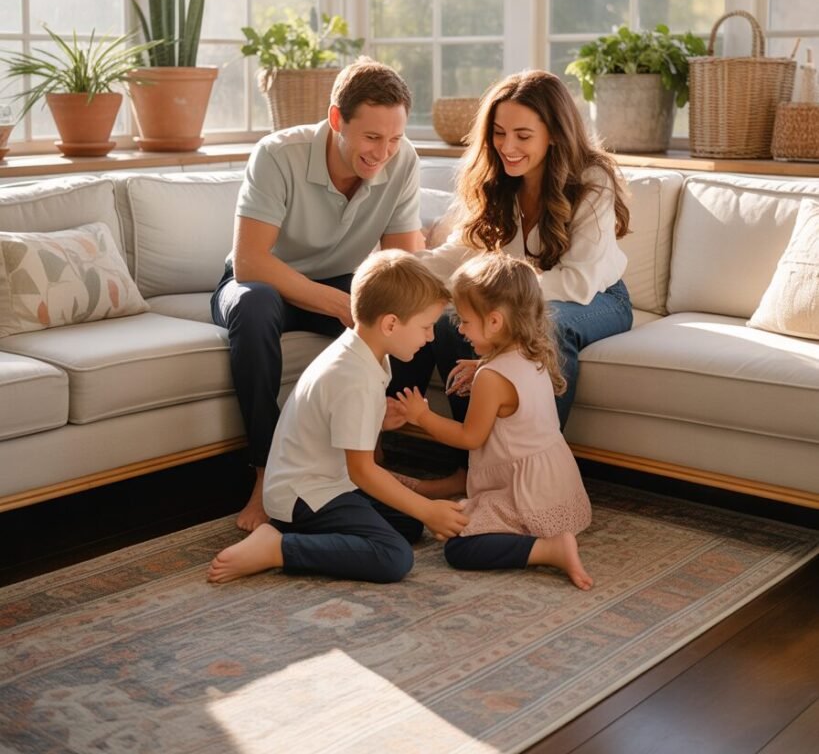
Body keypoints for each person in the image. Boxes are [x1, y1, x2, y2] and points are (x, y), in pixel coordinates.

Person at [212, 58, 425, 532]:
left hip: (343, 280)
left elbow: (403, 266)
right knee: (254, 304)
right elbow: (250, 262)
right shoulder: (277, 154)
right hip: (260, 284)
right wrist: (343, 306)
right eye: (372, 138)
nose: (384, 152)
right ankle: (265, 475)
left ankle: (369, 461)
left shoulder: (403, 158)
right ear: (336, 120)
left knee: (406, 310)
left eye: (393, 138)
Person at [207, 251, 469, 585]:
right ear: (390, 324)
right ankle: (280, 546)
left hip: (329, 481)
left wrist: (378, 419)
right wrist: (428, 509)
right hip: (305, 492)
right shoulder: (353, 376)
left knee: (408, 525)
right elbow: (363, 471)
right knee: (393, 556)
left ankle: (294, 533)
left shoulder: (364, 351)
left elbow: (338, 423)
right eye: (426, 327)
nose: (431, 337)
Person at [391, 69, 632, 429]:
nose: (507, 146)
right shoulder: (497, 180)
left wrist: (494, 297)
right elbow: (461, 252)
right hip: (516, 295)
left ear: (553, 135)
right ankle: (472, 464)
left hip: (597, 297)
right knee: (448, 321)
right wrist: (399, 273)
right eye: (499, 133)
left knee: (548, 326)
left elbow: (578, 282)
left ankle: (540, 457)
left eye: (523, 135)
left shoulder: (591, 181)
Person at [393, 252, 593, 589]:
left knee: (460, 548)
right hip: (555, 487)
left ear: (495, 321)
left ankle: (548, 550)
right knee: (460, 517)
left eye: (465, 321)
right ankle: (547, 539)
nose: (459, 328)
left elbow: (470, 437)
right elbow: (508, 386)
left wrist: (422, 416)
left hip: (524, 495)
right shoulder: (532, 353)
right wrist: (483, 367)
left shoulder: (492, 377)